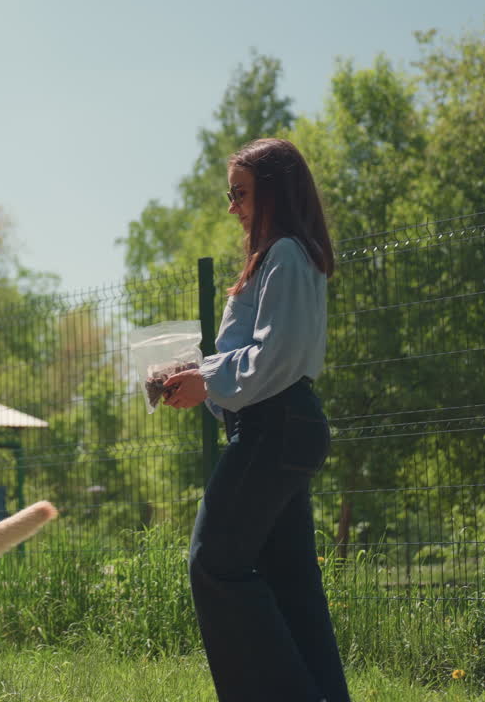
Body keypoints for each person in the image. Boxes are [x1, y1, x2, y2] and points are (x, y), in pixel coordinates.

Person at [162, 138, 350, 702]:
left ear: (273, 190)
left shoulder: (287, 255)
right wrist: (198, 376)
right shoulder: (281, 256)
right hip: (279, 426)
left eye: (240, 193)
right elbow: (263, 355)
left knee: (214, 565)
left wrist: (210, 382)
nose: (232, 207)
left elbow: (277, 358)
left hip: (275, 426)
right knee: (293, 586)